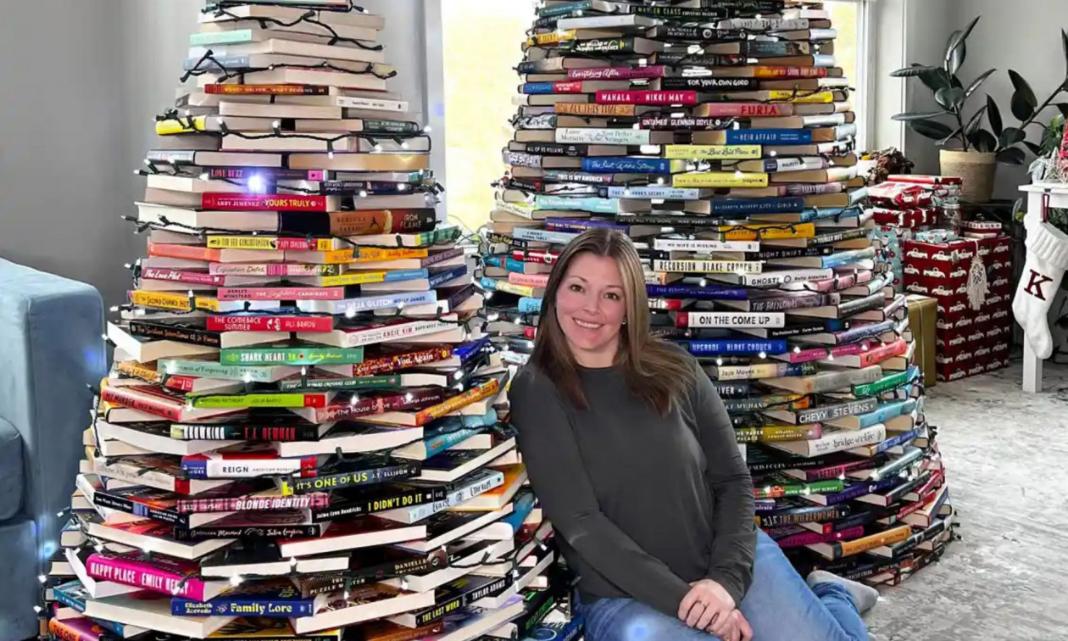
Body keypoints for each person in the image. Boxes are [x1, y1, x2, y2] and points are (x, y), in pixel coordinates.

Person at [508, 229, 880, 641]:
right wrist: (692, 604)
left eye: (611, 295)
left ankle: (832, 594)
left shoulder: (676, 367)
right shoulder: (536, 389)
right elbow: (581, 524)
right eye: (578, 288)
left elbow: (733, 480)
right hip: (627, 595)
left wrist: (725, 583)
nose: (590, 308)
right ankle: (829, 598)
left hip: (726, 563)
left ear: (630, 307)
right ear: (555, 292)